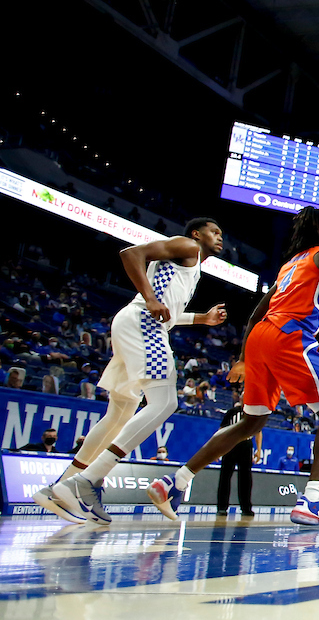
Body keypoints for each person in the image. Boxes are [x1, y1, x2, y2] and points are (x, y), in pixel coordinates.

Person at [147, 207, 319, 527]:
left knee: (250, 423)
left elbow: (255, 315)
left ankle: (175, 482)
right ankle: (313, 500)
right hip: (291, 336)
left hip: (260, 338)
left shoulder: (290, 265)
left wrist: (242, 358)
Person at [44, 219, 228, 524]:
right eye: (215, 231)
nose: (220, 237)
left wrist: (203, 319)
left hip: (138, 323)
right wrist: (151, 298)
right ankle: (86, 481)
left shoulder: (193, 266)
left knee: (119, 414)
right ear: (197, 234)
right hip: (144, 324)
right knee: (165, 403)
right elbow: (130, 254)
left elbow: (169, 315)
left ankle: (58, 490)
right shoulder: (189, 246)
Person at [216, 398, 261, 518]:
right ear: (241, 399)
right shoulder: (232, 412)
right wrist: (217, 449)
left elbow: (259, 431)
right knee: (225, 476)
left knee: (246, 478)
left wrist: (259, 449)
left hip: (246, 445)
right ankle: (222, 507)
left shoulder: (254, 413)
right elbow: (221, 430)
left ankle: (246, 508)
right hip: (230, 444)